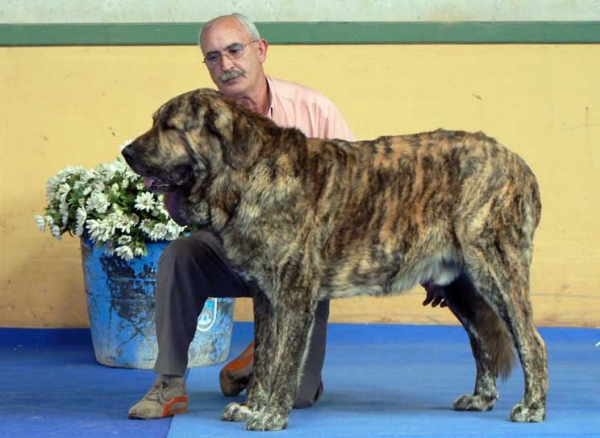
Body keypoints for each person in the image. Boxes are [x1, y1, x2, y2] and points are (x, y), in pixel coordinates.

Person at [128, 13, 355, 420]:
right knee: (181, 254)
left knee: (299, 397)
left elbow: (359, 193)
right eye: (213, 57)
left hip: (300, 269)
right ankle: (169, 383)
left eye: (234, 50)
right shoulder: (195, 124)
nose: (226, 64)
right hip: (231, 250)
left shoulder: (314, 109)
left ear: (260, 50)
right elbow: (181, 213)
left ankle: (255, 357)